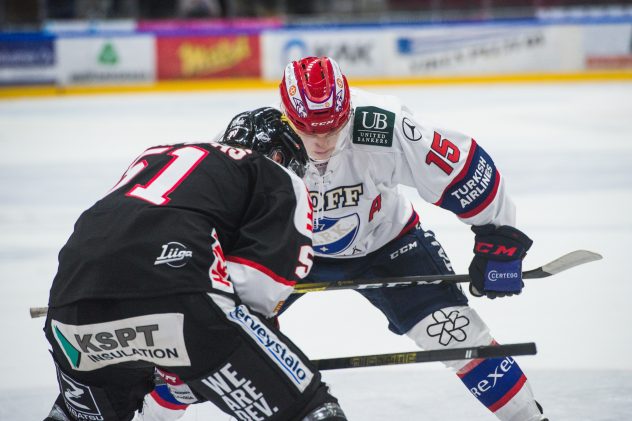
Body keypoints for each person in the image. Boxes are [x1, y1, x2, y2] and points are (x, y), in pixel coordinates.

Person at [136, 57, 548, 421]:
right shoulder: (260, 140)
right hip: (287, 251)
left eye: (333, 126)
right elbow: (220, 217)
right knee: (202, 342)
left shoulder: (382, 124)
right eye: (307, 129)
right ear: (286, 113)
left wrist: (499, 236)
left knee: (459, 336)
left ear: (347, 106)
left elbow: (460, 166)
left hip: (386, 244)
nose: (322, 142)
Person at [42, 107, 348, 421]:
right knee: (311, 410)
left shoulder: (157, 155)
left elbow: (115, 239)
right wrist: (195, 372)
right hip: (179, 303)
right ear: (283, 158)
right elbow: (258, 289)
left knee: (73, 415)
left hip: (70, 311)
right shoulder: (276, 176)